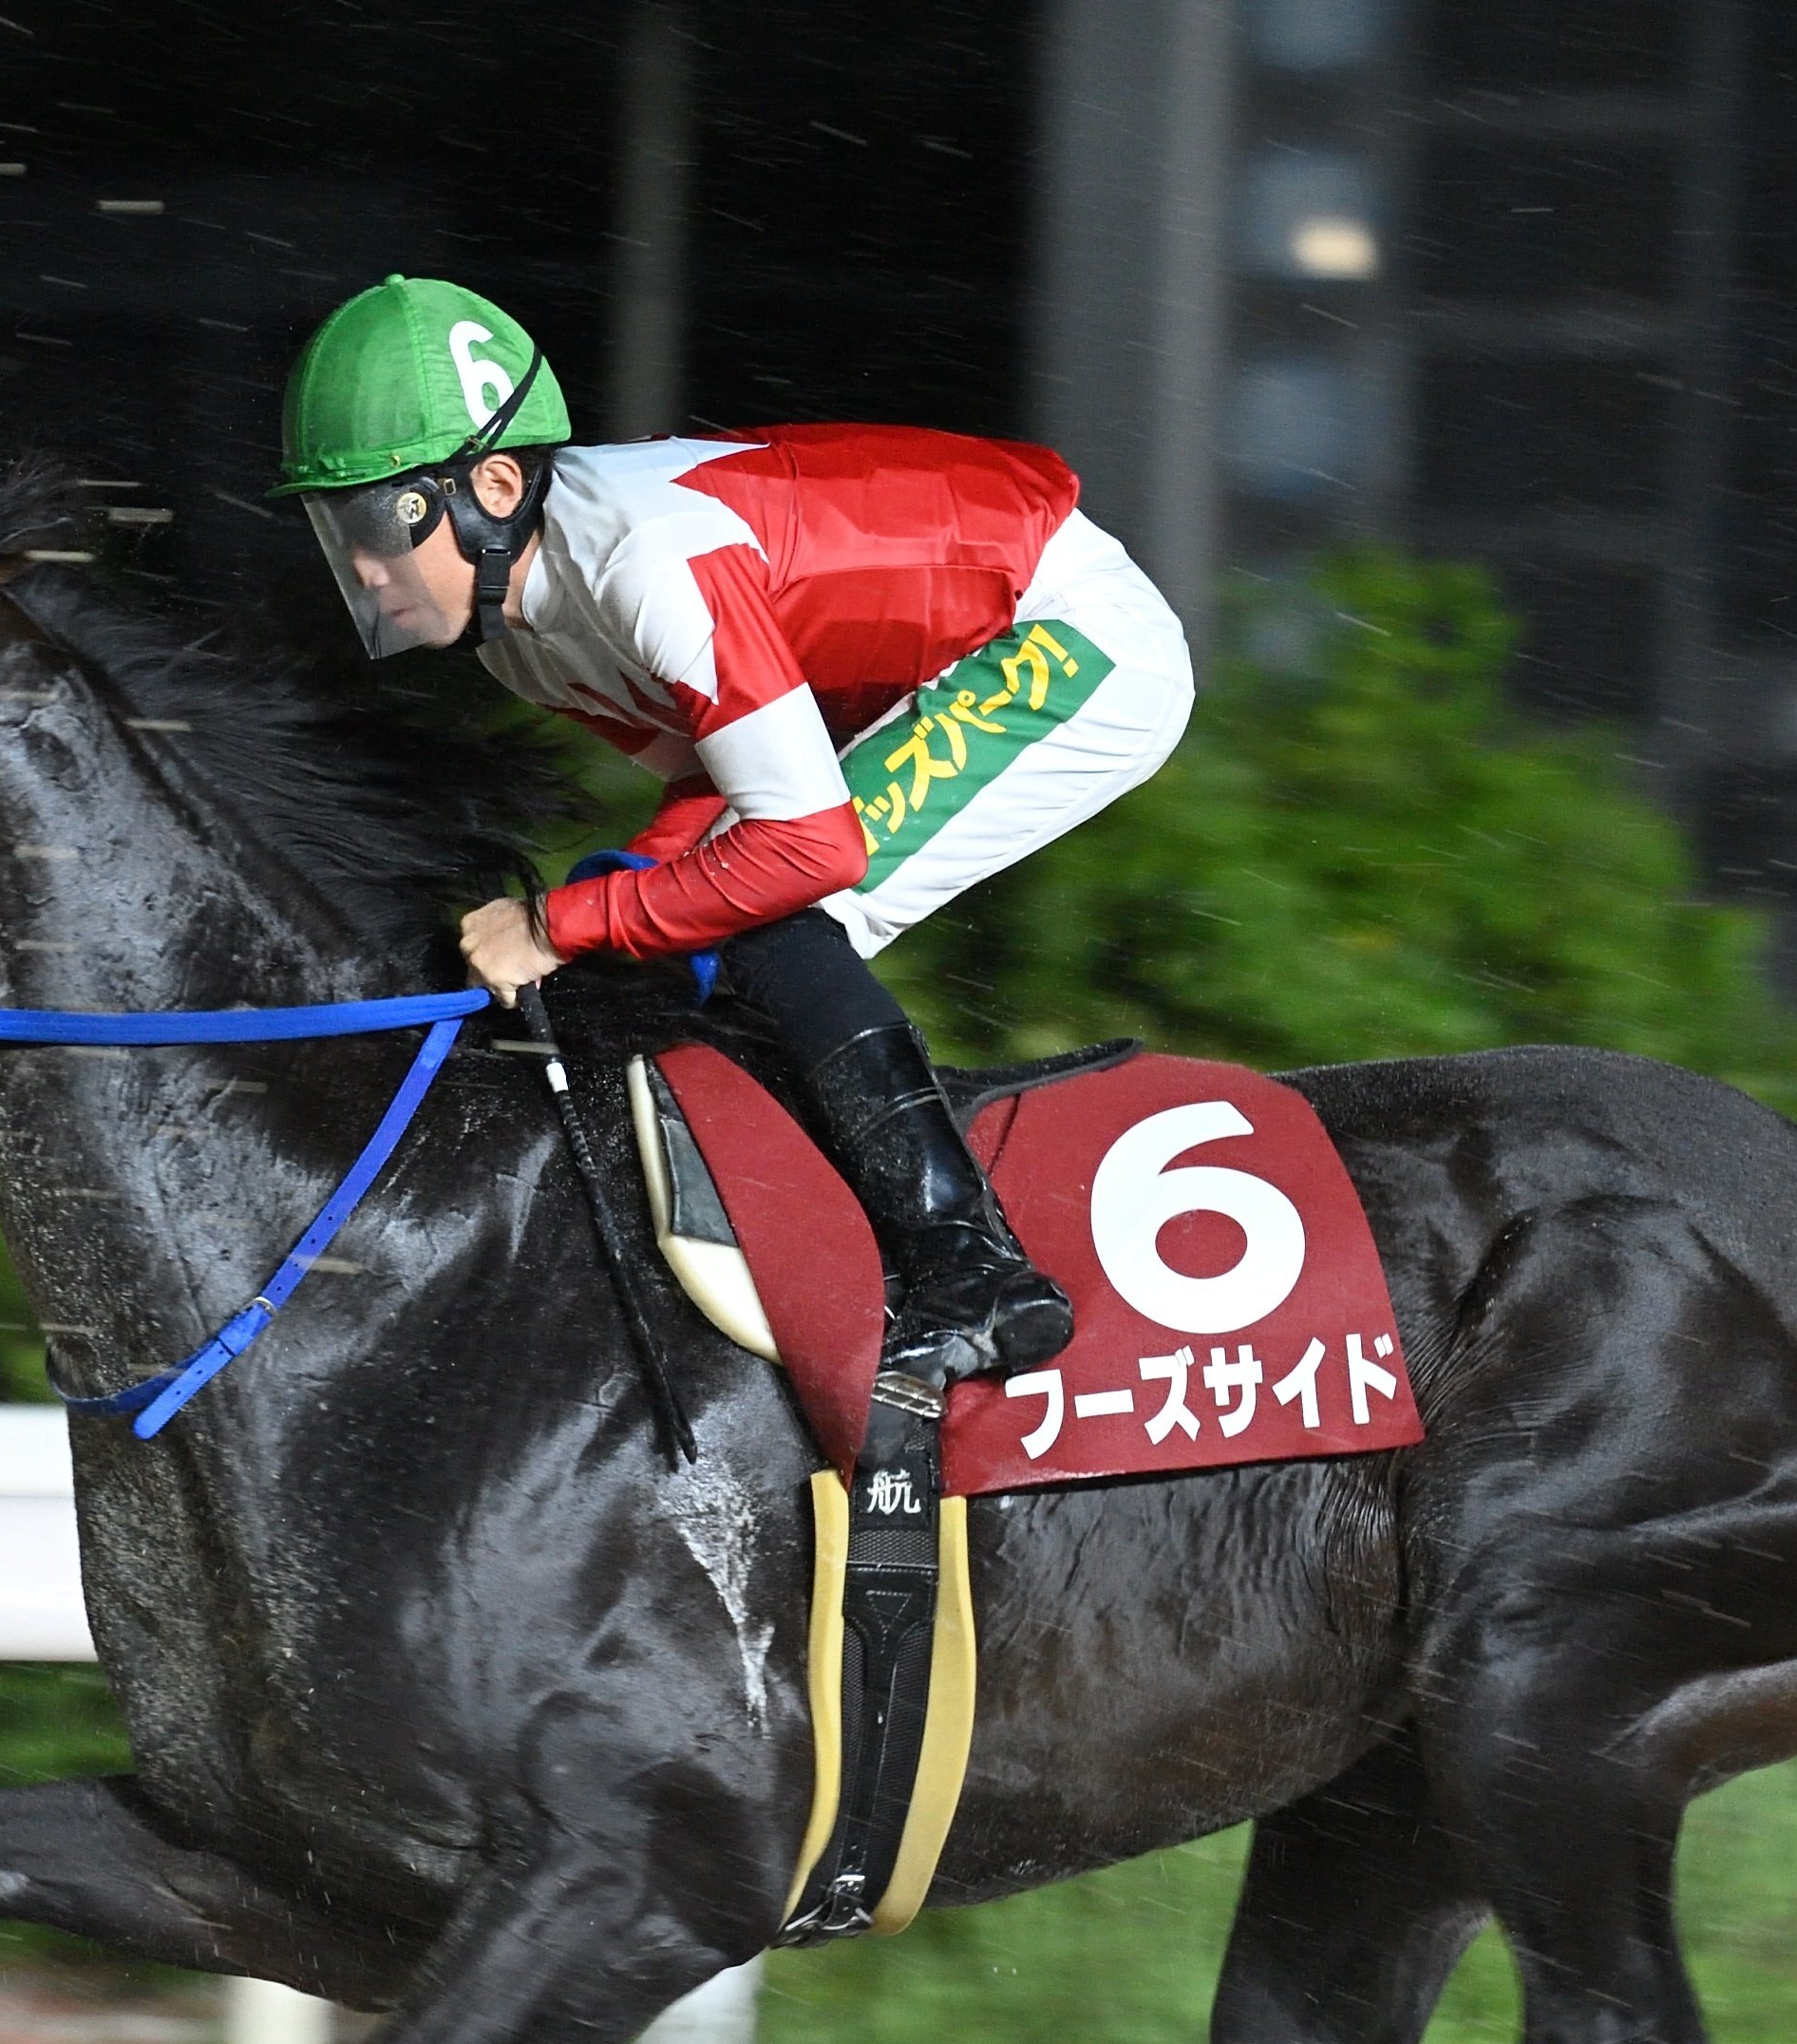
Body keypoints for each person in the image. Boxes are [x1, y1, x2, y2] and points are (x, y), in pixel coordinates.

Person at [273, 274, 1196, 1396]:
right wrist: (594, 920)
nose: (364, 567)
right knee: (690, 923)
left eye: (382, 522)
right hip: (936, 658)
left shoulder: (646, 566)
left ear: (496, 484)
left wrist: (561, 920)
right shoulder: (519, 635)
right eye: (341, 528)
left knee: (774, 915)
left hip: (1065, 635)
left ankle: (981, 1273)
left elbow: (806, 850)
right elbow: (715, 798)